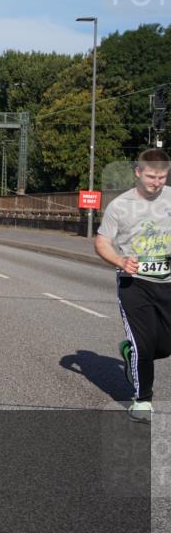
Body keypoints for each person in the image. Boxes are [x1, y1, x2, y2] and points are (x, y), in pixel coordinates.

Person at [95, 148, 170, 423]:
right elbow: (102, 242)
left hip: (168, 282)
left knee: (163, 345)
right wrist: (119, 260)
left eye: (162, 177)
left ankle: (130, 353)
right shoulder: (120, 205)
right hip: (134, 284)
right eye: (151, 176)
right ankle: (142, 400)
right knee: (143, 344)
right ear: (138, 172)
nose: (156, 182)